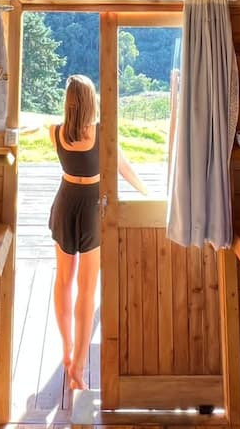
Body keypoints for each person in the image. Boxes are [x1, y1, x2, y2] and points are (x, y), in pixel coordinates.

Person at [48, 74, 148, 390]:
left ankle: (68, 353)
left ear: (69, 102)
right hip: (91, 206)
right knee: (86, 288)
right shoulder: (103, 132)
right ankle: (78, 366)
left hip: (65, 203)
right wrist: (148, 193)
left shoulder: (55, 132)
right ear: (92, 101)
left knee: (64, 282)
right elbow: (123, 167)